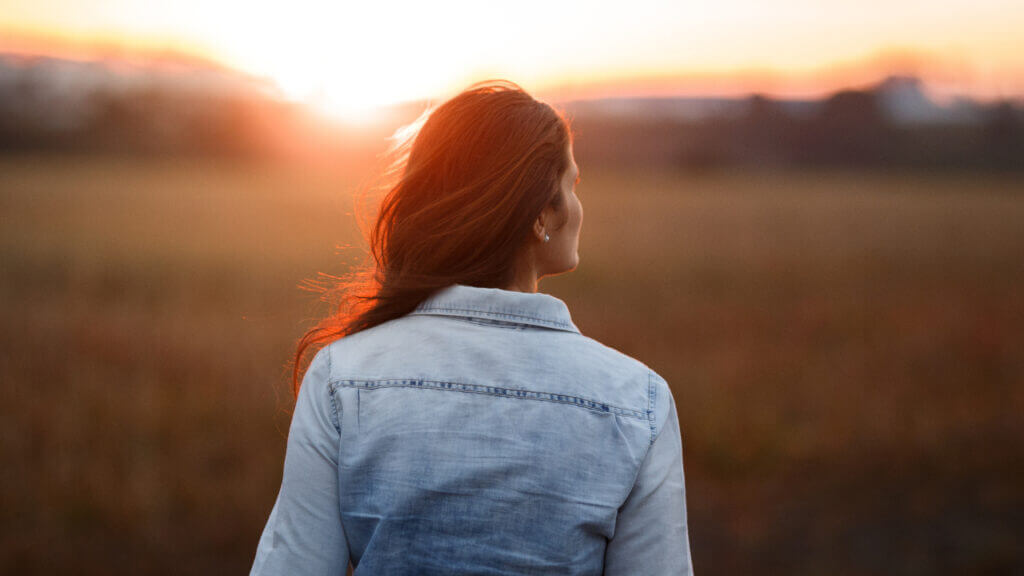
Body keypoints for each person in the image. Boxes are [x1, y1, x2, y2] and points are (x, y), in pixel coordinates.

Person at [249, 79, 693, 575]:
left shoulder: (343, 377)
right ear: (544, 210)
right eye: (574, 185)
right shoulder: (638, 401)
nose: (577, 205)